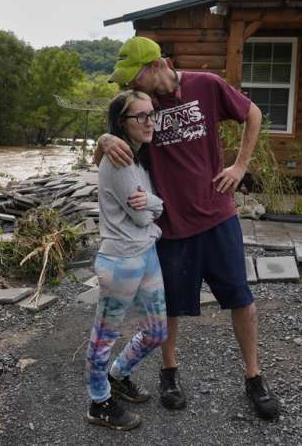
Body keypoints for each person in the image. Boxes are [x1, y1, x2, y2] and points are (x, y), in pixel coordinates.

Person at [96, 36, 280, 420]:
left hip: (218, 216)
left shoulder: (206, 85)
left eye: (135, 78)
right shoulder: (141, 107)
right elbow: (105, 142)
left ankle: (254, 376)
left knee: (240, 298)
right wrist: (105, 137)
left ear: (156, 66)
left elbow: (253, 113)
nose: (132, 87)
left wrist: (240, 166)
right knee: (172, 307)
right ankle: (169, 373)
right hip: (172, 225)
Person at [84, 90, 168, 431]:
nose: (149, 122)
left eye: (152, 114)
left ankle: (118, 375)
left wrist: (151, 203)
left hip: (146, 254)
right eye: (140, 116)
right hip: (120, 260)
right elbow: (141, 217)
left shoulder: (139, 156)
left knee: (157, 331)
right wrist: (157, 205)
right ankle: (99, 401)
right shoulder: (118, 160)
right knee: (104, 336)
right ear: (122, 122)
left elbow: (147, 208)